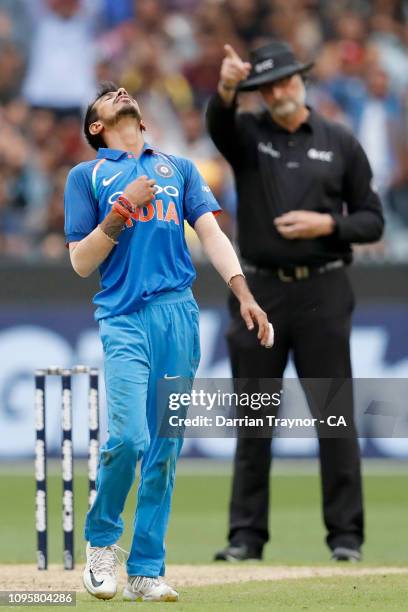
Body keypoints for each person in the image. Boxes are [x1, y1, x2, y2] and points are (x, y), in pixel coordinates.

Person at [64, 82, 271, 602]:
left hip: (178, 313)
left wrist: (243, 293)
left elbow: (213, 234)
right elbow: (81, 262)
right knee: (130, 437)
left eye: (123, 93)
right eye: (108, 97)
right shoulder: (86, 176)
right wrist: (120, 211)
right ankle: (101, 541)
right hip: (124, 316)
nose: (121, 92)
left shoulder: (178, 168)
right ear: (97, 126)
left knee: (166, 445)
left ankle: (147, 569)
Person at [206, 41, 384, 563]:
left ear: (302, 81)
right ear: (258, 94)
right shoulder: (247, 135)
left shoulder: (339, 142)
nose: (278, 91)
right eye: (267, 86)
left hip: (323, 289)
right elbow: (218, 122)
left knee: (334, 417)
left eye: (285, 80)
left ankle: (345, 537)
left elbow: (373, 218)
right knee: (254, 416)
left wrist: (328, 224)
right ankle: (246, 537)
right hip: (260, 291)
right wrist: (227, 87)